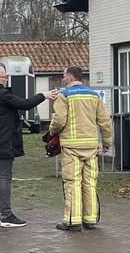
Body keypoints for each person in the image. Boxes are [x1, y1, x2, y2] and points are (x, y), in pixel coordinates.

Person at [0, 61, 58, 228]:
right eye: (5, 77)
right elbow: (25, 104)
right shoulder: (1, 94)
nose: (6, 80)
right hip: (4, 141)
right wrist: (44, 95)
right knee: (5, 177)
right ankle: (6, 215)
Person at [48, 66, 114, 231]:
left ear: (70, 77)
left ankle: (72, 221)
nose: (62, 79)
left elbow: (59, 120)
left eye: (63, 76)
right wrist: (107, 142)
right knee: (90, 183)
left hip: (71, 147)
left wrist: (52, 132)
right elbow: (105, 121)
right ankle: (90, 219)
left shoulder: (64, 96)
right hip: (91, 146)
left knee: (72, 183)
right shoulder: (94, 96)